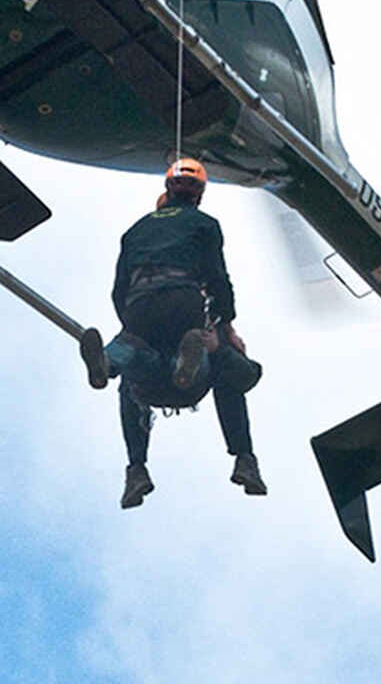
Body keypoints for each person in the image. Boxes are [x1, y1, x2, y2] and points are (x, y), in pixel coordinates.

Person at [79, 158, 266, 508]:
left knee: (131, 356)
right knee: (221, 369)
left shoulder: (134, 231)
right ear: (199, 194)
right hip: (184, 307)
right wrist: (226, 329)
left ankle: (134, 462)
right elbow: (217, 277)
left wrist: (132, 324)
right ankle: (244, 459)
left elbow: (118, 291)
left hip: (140, 310)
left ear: (166, 192)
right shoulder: (204, 224)